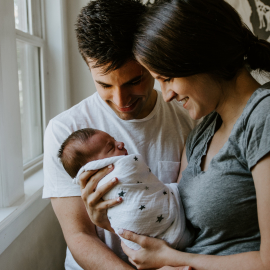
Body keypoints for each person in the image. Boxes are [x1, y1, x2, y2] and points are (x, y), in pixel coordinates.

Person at [94, 0, 269, 269]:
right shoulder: (204, 129)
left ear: (203, 57)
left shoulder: (263, 115)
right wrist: (111, 217)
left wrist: (174, 259)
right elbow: (176, 221)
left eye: (168, 78)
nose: (166, 96)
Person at [42, 0, 195, 269]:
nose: (121, 99)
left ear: (151, 62)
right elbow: (79, 235)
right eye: (104, 84)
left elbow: (188, 216)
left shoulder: (187, 120)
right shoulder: (65, 131)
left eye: (134, 81)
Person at [58, 128, 193, 251]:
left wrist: (106, 223)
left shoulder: (186, 123)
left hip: (147, 250)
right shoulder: (61, 128)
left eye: (114, 140)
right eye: (111, 147)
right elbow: (78, 236)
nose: (120, 143)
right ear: (96, 166)